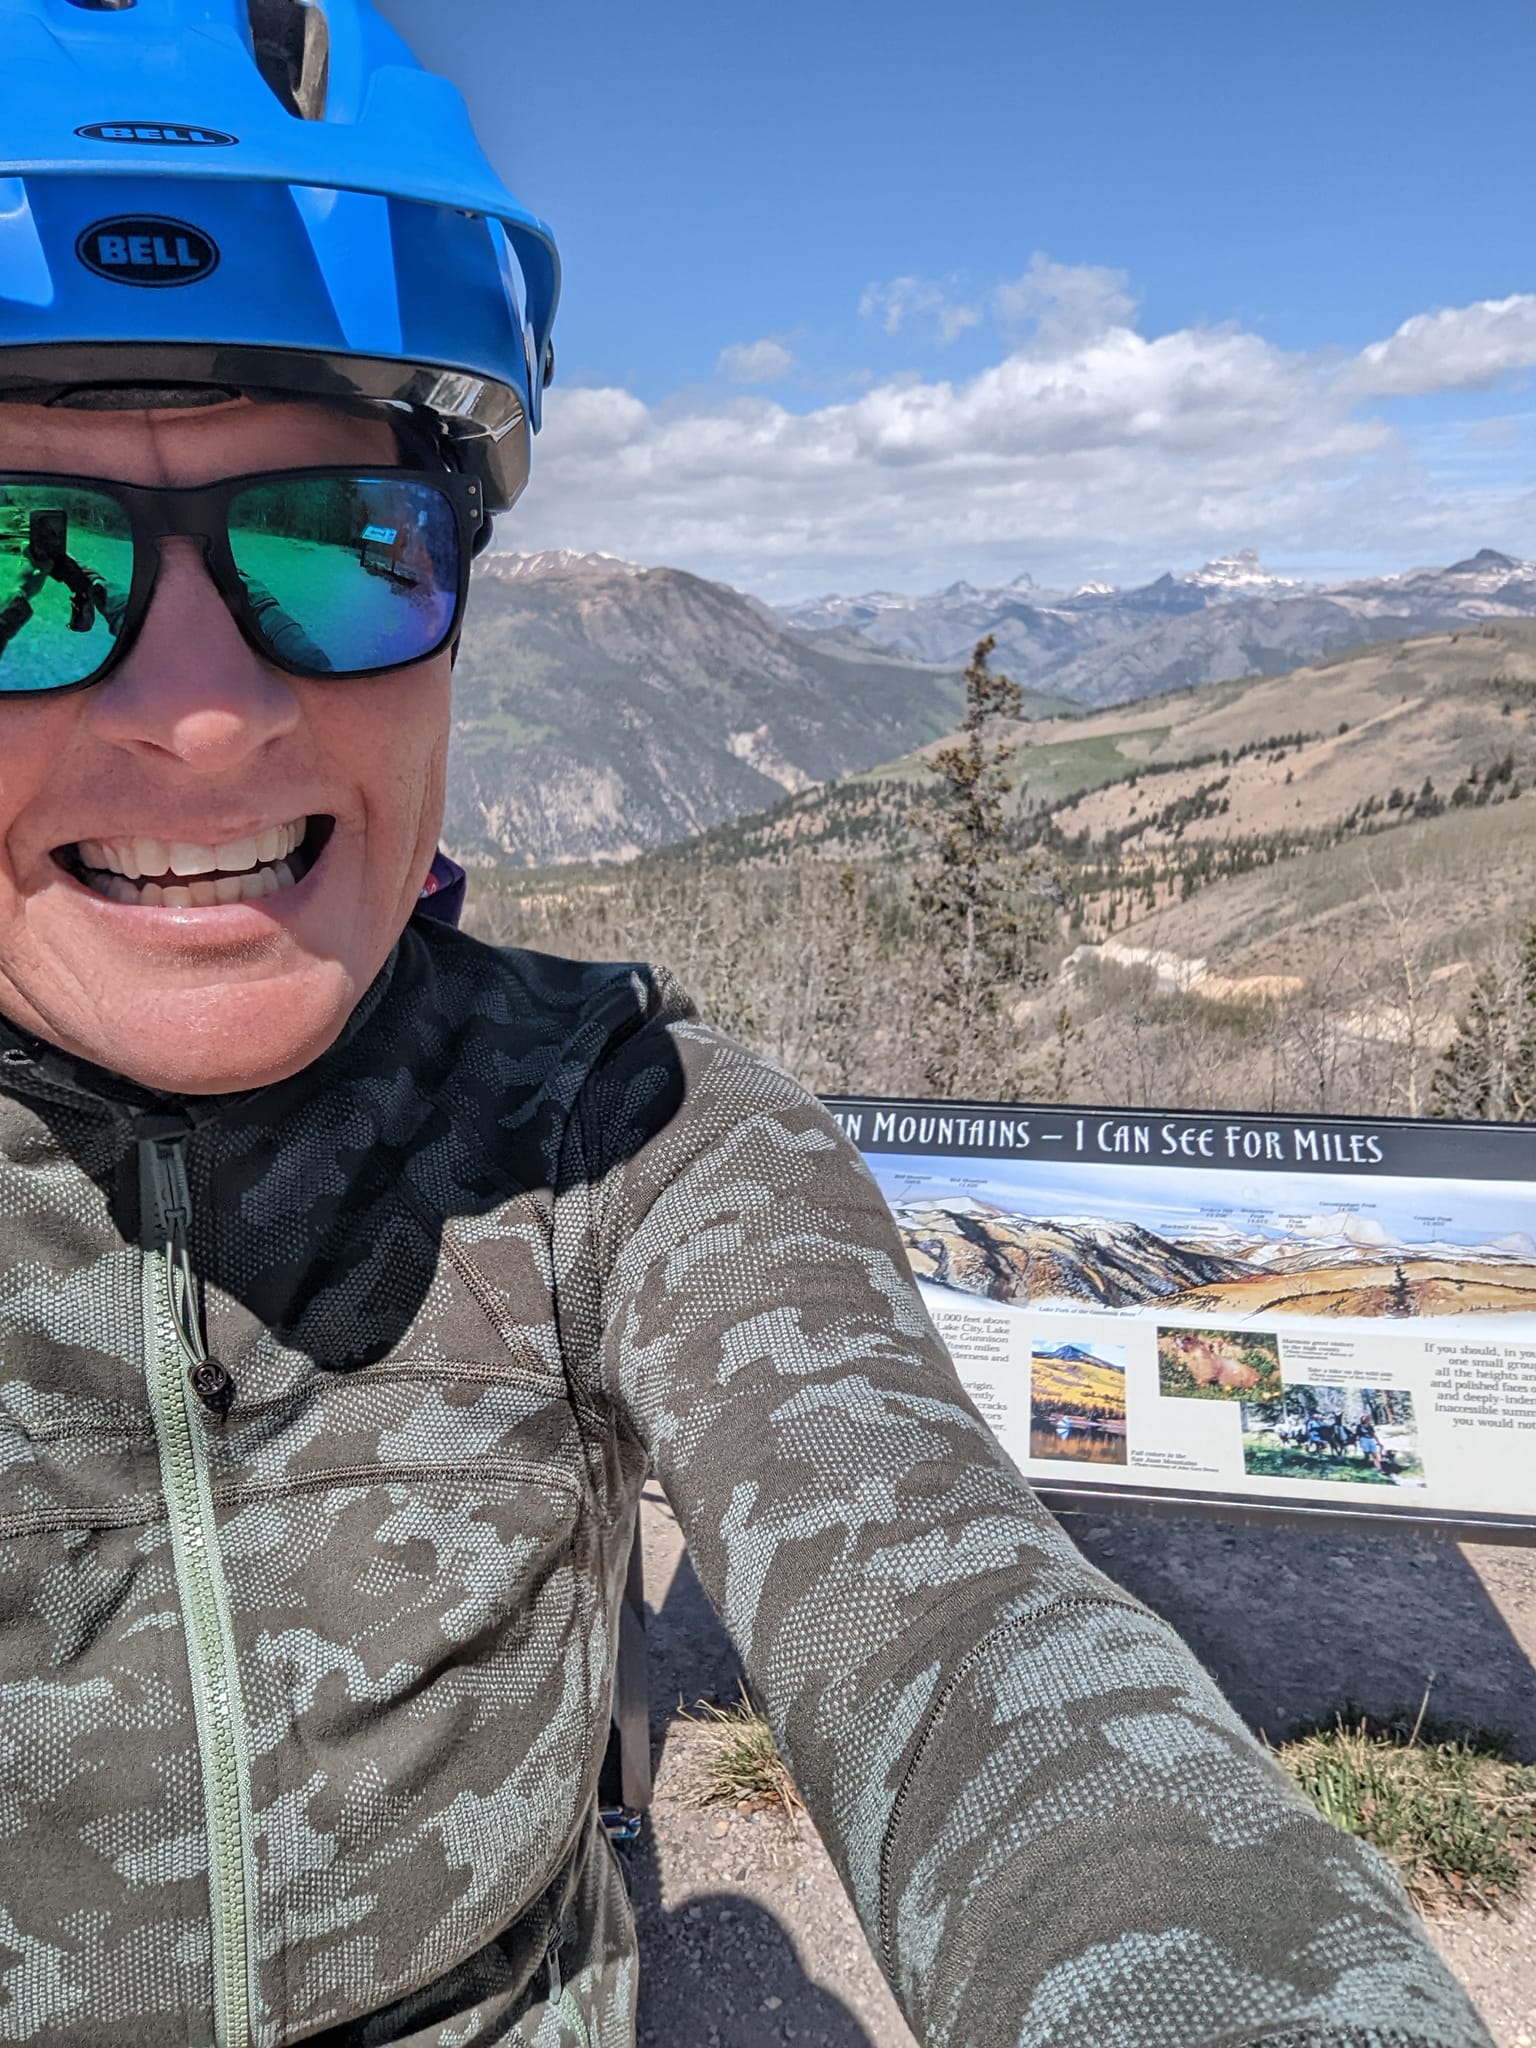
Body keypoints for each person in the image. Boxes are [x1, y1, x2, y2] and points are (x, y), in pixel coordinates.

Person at [0, 6, 1494, 2047]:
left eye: (336, 545)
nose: (204, 714)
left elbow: (970, 1620)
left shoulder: (617, 1136)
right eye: (22, 563)